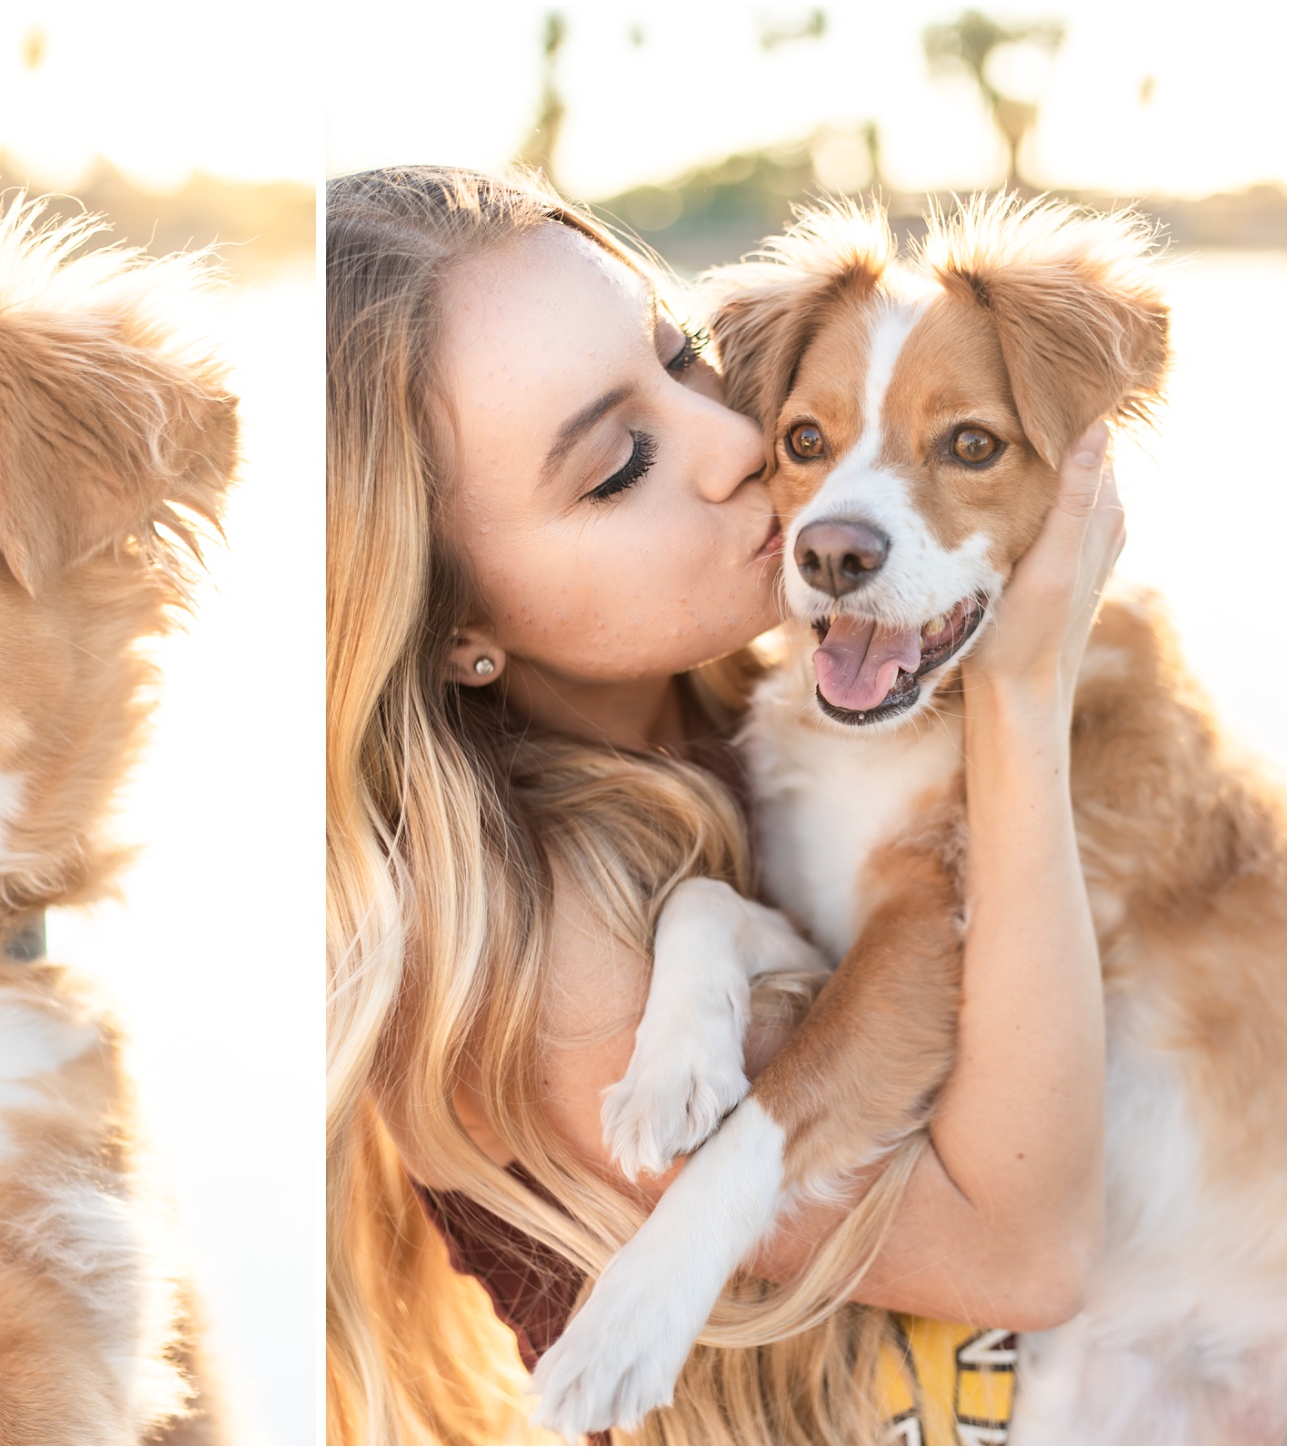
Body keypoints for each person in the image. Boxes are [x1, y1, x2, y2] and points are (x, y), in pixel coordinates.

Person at [326, 165, 1120, 1444]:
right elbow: (1021, 1254)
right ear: (454, 621)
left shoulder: (791, 701)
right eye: (620, 463)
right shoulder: (527, 936)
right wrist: (1026, 702)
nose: (742, 441)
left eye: (685, 356)